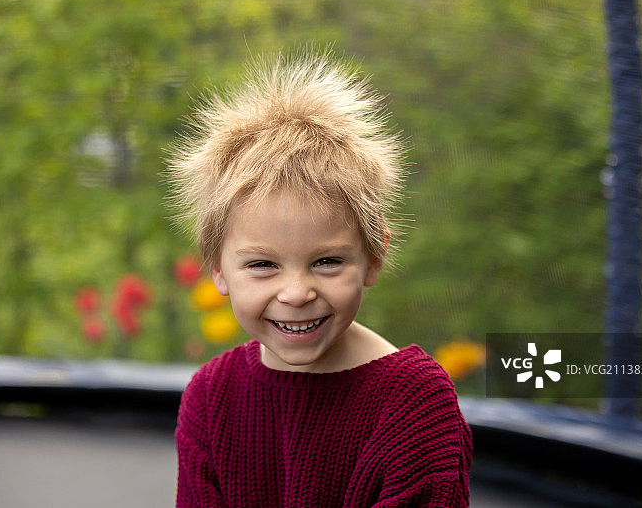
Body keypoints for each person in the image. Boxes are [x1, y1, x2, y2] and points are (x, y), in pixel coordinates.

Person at [166, 51, 472, 507]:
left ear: (373, 259)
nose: (296, 293)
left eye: (327, 261)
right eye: (263, 265)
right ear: (218, 272)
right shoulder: (212, 398)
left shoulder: (415, 407)